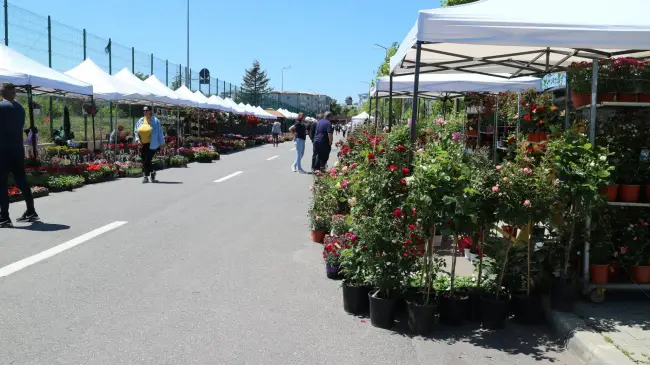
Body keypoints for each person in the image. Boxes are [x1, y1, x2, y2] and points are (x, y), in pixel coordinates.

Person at [0, 83, 39, 227]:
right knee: (22, 180)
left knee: (2, 183)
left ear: (1, 93)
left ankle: (4, 217)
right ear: (14, 93)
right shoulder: (20, 109)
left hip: (2, 151)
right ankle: (31, 210)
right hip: (17, 150)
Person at [134, 106, 164, 183]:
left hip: (152, 144)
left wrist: (161, 144)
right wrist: (137, 140)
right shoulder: (140, 120)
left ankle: (145, 177)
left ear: (150, 111)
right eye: (143, 110)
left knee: (147, 160)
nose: (145, 112)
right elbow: (136, 131)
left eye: (146, 110)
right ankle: (152, 171)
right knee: (145, 160)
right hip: (142, 144)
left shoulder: (156, 121)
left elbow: (160, 133)